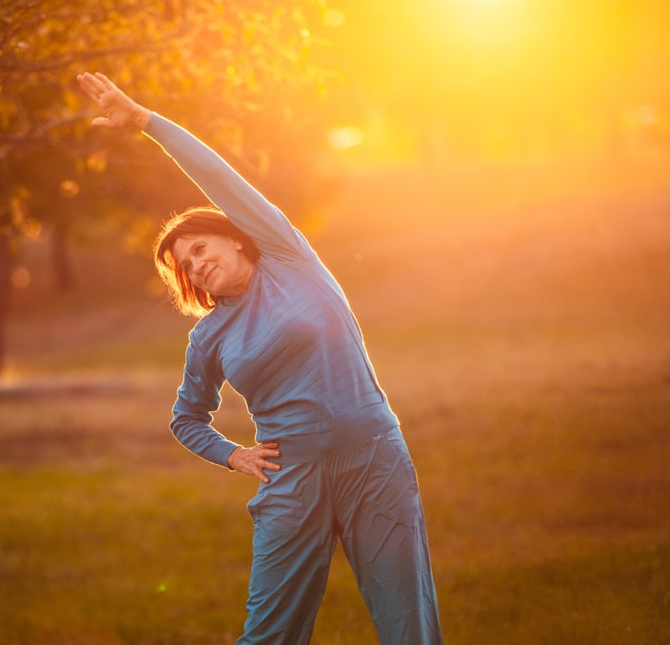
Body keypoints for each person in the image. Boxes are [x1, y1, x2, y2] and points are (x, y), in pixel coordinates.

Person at [77, 71, 444, 645]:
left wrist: (148, 123)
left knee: (408, 626)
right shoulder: (211, 337)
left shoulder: (289, 259)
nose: (196, 265)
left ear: (236, 239)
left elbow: (219, 179)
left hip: (373, 460)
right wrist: (233, 456)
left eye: (200, 249)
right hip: (291, 478)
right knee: (269, 635)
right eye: (186, 267)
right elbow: (186, 418)